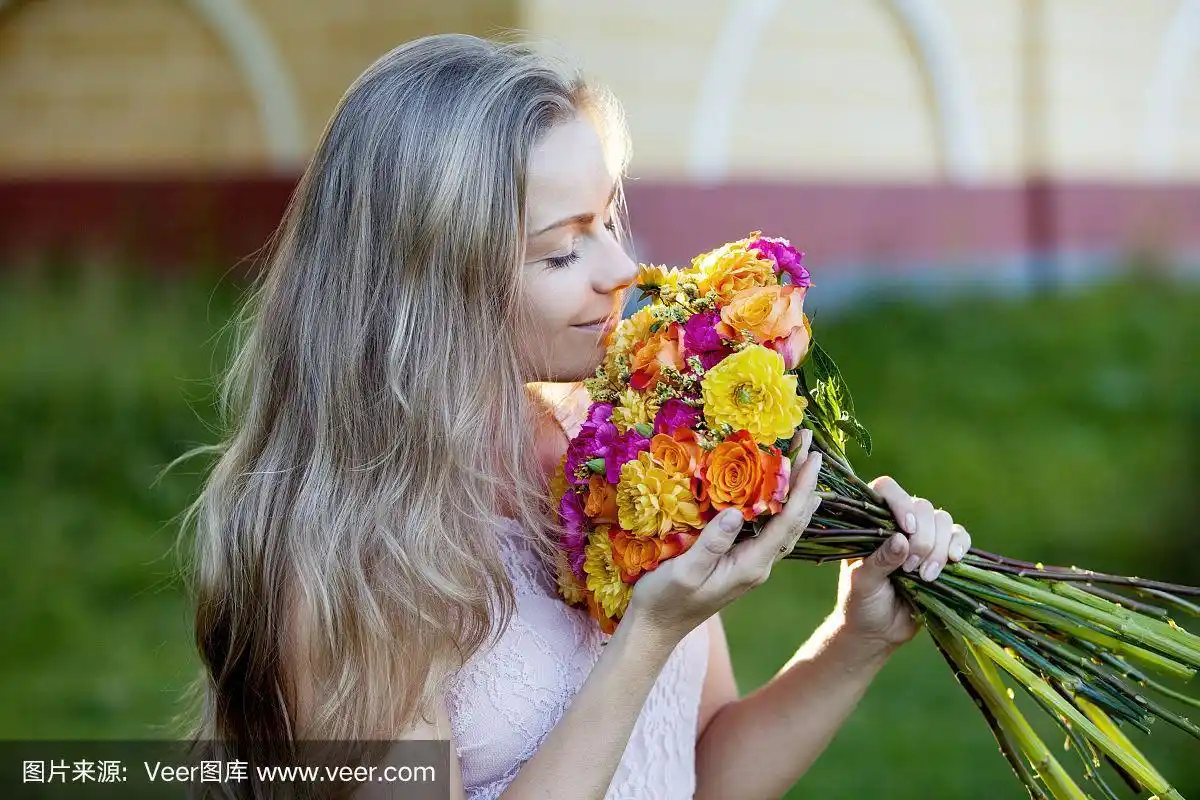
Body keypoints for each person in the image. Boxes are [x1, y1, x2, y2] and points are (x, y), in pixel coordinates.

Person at [182, 33, 972, 799]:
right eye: (562, 250)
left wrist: (853, 639)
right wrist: (646, 639)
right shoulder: (348, 553)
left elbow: (698, 772)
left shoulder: (619, 456)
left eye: (604, 220)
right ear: (429, 287)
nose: (622, 269)